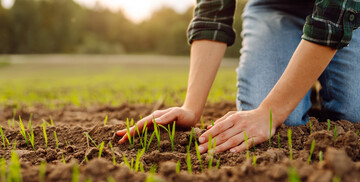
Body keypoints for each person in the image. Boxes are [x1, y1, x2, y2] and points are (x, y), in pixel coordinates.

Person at [117, 0, 360, 153]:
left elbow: (331, 20)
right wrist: (191, 107)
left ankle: (305, 82)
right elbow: (213, 13)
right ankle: (301, 87)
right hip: (275, 7)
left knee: (353, 116)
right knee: (282, 124)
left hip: (347, 10)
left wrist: (270, 112)